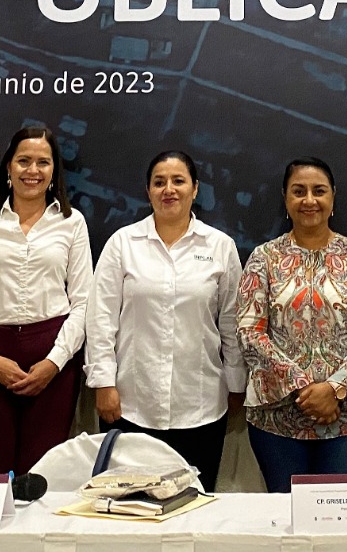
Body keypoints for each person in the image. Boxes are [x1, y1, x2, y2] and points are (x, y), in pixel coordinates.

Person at [85, 150, 245, 491]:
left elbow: (232, 323)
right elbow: (100, 320)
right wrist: (103, 383)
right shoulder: (123, 244)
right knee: (131, 507)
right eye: (159, 182)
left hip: (200, 406)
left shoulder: (220, 246)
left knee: (195, 504)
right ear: (148, 191)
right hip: (131, 403)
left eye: (178, 181)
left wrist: (236, 384)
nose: (168, 189)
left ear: (195, 189)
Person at [0, 125, 92, 475]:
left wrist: (54, 362)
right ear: (8, 167)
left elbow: (84, 303)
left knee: (42, 475)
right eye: (24, 161)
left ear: (54, 171)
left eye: (43, 162)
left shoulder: (72, 223)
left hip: (53, 361)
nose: (33, 170)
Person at [237, 157, 347, 492]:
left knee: (341, 518)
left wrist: (333, 388)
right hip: (277, 419)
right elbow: (249, 330)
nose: (309, 200)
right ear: (285, 198)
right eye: (298, 191)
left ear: (333, 196)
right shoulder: (264, 258)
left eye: (318, 191)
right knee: (287, 517)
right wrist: (303, 388)